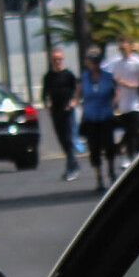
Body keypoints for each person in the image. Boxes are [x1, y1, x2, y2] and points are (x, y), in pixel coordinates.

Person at [78, 45, 120, 187]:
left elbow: (116, 91)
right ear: (87, 62)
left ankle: (111, 171)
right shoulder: (83, 78)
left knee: (109, 145)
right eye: (92, 60)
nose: (95, 64)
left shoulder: (108, 77)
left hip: (105, 115)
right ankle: (98, 177)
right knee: (94, 147)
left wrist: (114, 104)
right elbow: (77, 95)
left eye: (97, 60)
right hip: (91, 117)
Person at [41, 47, 82, 181]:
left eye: (59, 59)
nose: (57, 62)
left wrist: (73, 102)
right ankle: (73, 163)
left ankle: (71, 166)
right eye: (54, 59)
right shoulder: (48, 76)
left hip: (67, 110)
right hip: (56, 111)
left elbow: (76, 89)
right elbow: (44, 93)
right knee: (62, 139)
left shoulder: (68, 74)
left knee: (68, 137)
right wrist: (47, 105)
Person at [112, 41, 139, 154]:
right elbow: (116, 83)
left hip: (136, 103)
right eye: (120, 49)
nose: (122, 51)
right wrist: (116, 99)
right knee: (128, 132)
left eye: (124, 48)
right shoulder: (117, 64)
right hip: (123, 104)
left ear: (130, 47)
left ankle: (138, 155)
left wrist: (129, 84)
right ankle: (129, 156)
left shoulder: (138, 62)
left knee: (136, 131)